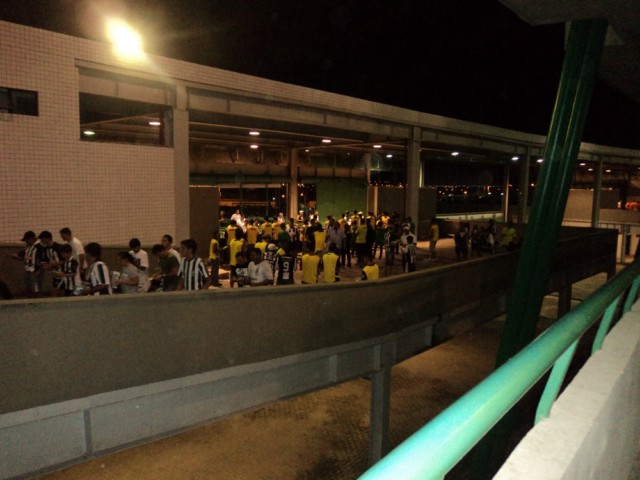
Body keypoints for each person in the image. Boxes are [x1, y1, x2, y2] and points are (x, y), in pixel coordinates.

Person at [12, 230, 40, 297]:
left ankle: (36, 299)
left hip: (34, 270)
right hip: (28, 269)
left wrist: (37, 270)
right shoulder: (28, 247)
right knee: (28, 286)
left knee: (35, 287)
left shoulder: (38, 247)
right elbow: (25, 257)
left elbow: (38, 259)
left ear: (32, 239)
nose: (26, 242)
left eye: (27, 240)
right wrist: (18, 257)